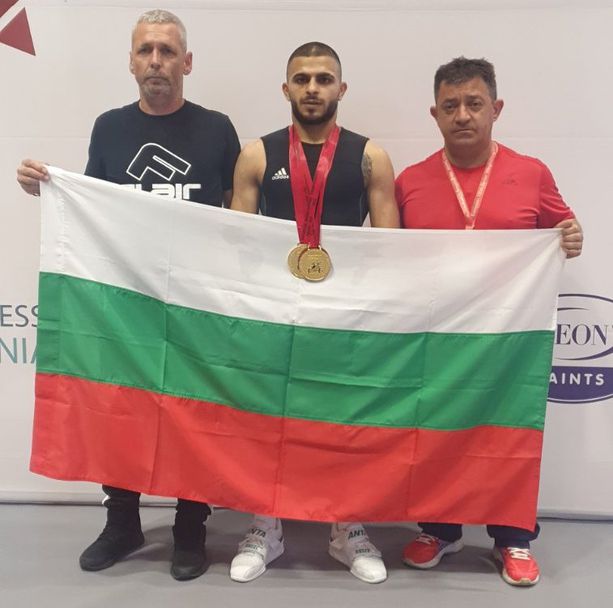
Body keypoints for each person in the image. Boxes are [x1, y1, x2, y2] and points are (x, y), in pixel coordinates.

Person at [17, 9, 240, 581]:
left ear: (187, 62)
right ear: (131, 62)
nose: (156, 61)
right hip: (126, 302)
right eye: (146, 51)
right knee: (118, 411)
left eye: (167, 51)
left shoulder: (217, 129)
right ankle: (122, 523)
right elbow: (91, 204)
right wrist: (49, 188)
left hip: (195, 303)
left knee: (193, 411)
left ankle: (190, 527)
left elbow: (240, 216)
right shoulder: (109, 128)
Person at [395, 56, 583, 587]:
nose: (463, 115)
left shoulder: (532, 173)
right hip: (439, 339)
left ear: (496, 109)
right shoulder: (410, 182)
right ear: (434, 113)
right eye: (451, 105)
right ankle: (440, 528)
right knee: (437, 432)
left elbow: (564, 228)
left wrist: (571, 235)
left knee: (509, 435)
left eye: (474, 104)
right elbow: (390, 257)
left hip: (509, 341)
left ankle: (513, 537)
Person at [229, 42, 400, 584]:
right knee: (269, 418)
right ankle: (266, 525)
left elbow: (390, 246)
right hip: (275, 309)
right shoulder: (257, 154)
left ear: (341, 89)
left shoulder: (371, 156)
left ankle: (347, 527)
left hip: (346, 313)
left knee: (345, 420)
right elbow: (237, 244)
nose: (312, 88)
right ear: (286, 88)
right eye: (301, 78)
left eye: (323, 79)